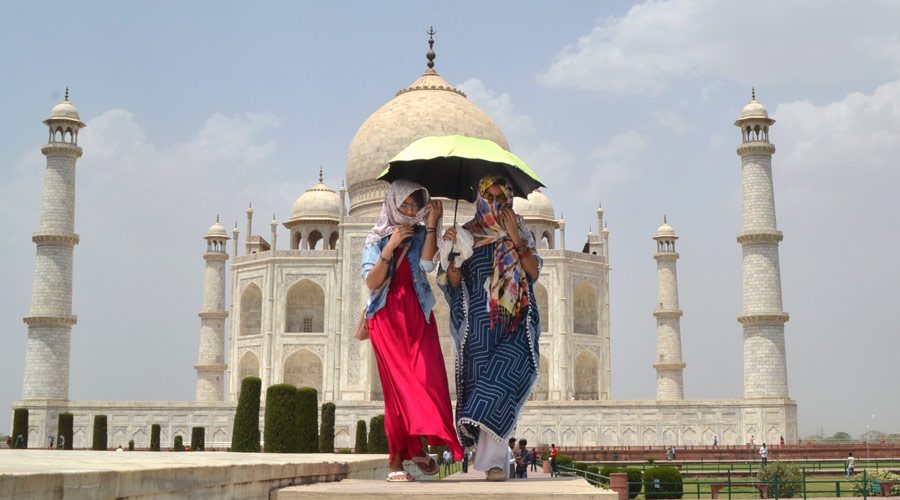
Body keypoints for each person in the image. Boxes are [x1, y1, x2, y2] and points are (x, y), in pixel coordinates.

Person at [439, 175, 542, 483]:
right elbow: (454, 284)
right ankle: (493, 462)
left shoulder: (520, 230)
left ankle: (495, 462)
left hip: (515, 323)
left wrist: (514, 236)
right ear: (481, 199)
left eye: (502, 198)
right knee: (485, 394)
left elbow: (533, 273)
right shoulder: (467, 233)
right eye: (491, 197)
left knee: (500, 388)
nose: (497, 203)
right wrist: (453, 260)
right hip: (480, 329)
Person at [362, 180, 463, 482]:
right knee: (398, 392)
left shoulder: (420, 234)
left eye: (414, 205)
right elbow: (372, 283)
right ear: (392, 202)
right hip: (386, 318)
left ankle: (416, 445)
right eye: (404, 204)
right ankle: (396, 462)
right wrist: (391, 246)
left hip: (418, 315)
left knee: (429, 382)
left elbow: (427, 266)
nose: (409, 210)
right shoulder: (376, 238)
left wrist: (431, 225)